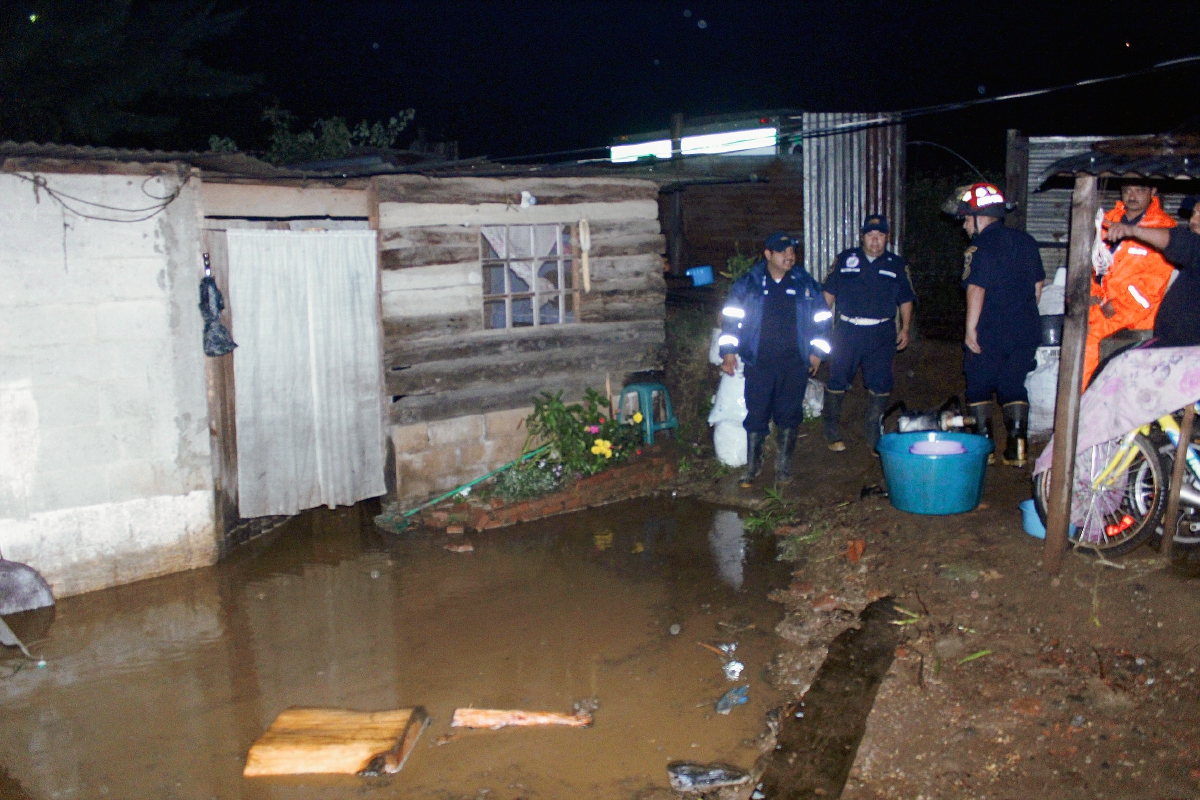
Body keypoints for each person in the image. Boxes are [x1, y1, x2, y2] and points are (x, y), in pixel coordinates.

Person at [718, 232, 832, 487]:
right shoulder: (750, 284)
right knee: (756, 413)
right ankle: (753, 468)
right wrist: (728, 351)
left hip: (794, 363)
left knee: (789, 414)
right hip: (759, 363)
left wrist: (816, 353)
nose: (789, 256)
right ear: (768, 254)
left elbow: (823, 320)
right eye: (783, 252)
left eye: (792, 251)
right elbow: (731, 318)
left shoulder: (805, 284)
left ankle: (783, 467)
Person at [952, 182, 1044, 467]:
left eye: (967, 219)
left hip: (990, 328)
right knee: (1013, 384)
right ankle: (1017, 449)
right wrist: (1023, 315)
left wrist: (970, 330)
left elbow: (976, 289)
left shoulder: (980, 246)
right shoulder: (1026, 241)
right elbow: (1038, 285)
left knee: (978, 385)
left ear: (980, 218)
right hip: (1025, 327)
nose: (965, 226)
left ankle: (985, 449)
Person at [820, 214, 915, 453]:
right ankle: (831, 428)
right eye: (870, 235)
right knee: (838, 378)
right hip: (847, 331)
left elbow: (905, 298)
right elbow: (827, 297)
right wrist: (820, 330)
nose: (875, 241)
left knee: (881, 382)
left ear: (887, 238)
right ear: (862, 237)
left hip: (882, 333)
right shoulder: (845, 259)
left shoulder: (896, 264)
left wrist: (904, 327)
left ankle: (873, 430)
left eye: (880, 235)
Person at [1083, 183, 1176, 388]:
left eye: (1140, 190)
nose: (1132, 196)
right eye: (1127, 190)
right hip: (1104, 308)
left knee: (1089, 342)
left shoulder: (1162, 229)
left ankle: (1087, 406)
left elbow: (1153, 285)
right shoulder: (1108, 221)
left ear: (1153, 192)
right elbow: (1097, 265)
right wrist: (1093, 293)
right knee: (1075, 330)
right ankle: (1081, 407)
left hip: (1137, 316)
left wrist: (1117, 305)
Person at [1103, 194, 1200, 348]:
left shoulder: (1191, 245)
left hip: (1188, 355)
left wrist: (1133, 231)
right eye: (1194, 213)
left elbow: (1180, 242)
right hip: (1170, 348)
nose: (1194, 221)